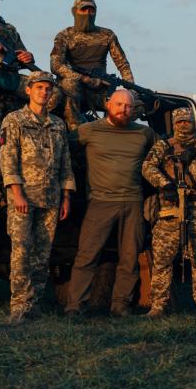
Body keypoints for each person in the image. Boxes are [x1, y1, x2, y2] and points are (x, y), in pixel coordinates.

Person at [65, 89, 157, 316]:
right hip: (100, 202)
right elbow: (60, 148)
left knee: (129, 258)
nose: (123, 110)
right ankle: (75, 307)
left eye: (128, 106)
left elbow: (163, 153)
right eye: (119, 105)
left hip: (133, 202)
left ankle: (120, 306)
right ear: (108, 105)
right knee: (87, 256)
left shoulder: (144, 133)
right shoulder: (89, 131)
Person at [0, 73, 74, 322]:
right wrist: (17, 193)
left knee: (42, 254)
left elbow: (65, 163)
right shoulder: (15, 120)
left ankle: (35, 304)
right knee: (21, 251)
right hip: (24, 198)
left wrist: (66, 196)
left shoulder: (57, 125)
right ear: (29, 90)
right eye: (39, 87)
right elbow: (8, 160)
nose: (44, 92)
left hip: (50, 198)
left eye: (48, 89)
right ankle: (19, 305)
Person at [141, 108, 196, 318]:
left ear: (193, 123)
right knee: (162, 260)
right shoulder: (163, 146)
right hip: (170, 210)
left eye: (187, 121)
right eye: (180, 122)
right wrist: (165, 184)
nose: (184, 125)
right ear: (174, 124)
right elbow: (147, 167)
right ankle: (157, 306)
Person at [50, 0, 136, 130]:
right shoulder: (64, 36)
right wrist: (84, 79)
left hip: (100, 89)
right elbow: (56, 66)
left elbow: (123, 64)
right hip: (74, 87)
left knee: (135, 103)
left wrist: (130, 89)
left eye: (91, 11)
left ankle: (115, 133)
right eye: (83, 10)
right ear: (75, 12)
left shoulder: (107, 35)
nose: (87, 14)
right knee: (69, 83)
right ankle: (75, 131)